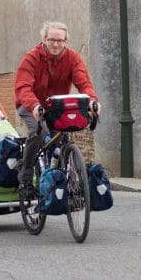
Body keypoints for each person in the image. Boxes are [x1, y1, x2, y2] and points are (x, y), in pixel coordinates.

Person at [15, 21, 100, 196]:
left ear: (66, 41)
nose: (55, 44)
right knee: (40, 132)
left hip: (56, 107)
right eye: (51, 39)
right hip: (30, 105)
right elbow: (23, 87)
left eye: (59, 40)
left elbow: (83, 83)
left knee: (62, 136)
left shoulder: (72, 58)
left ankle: (65, 178)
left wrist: (92, 102)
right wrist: (34, 106)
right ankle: (25, 175)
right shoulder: (32, 57)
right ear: (44, 39)